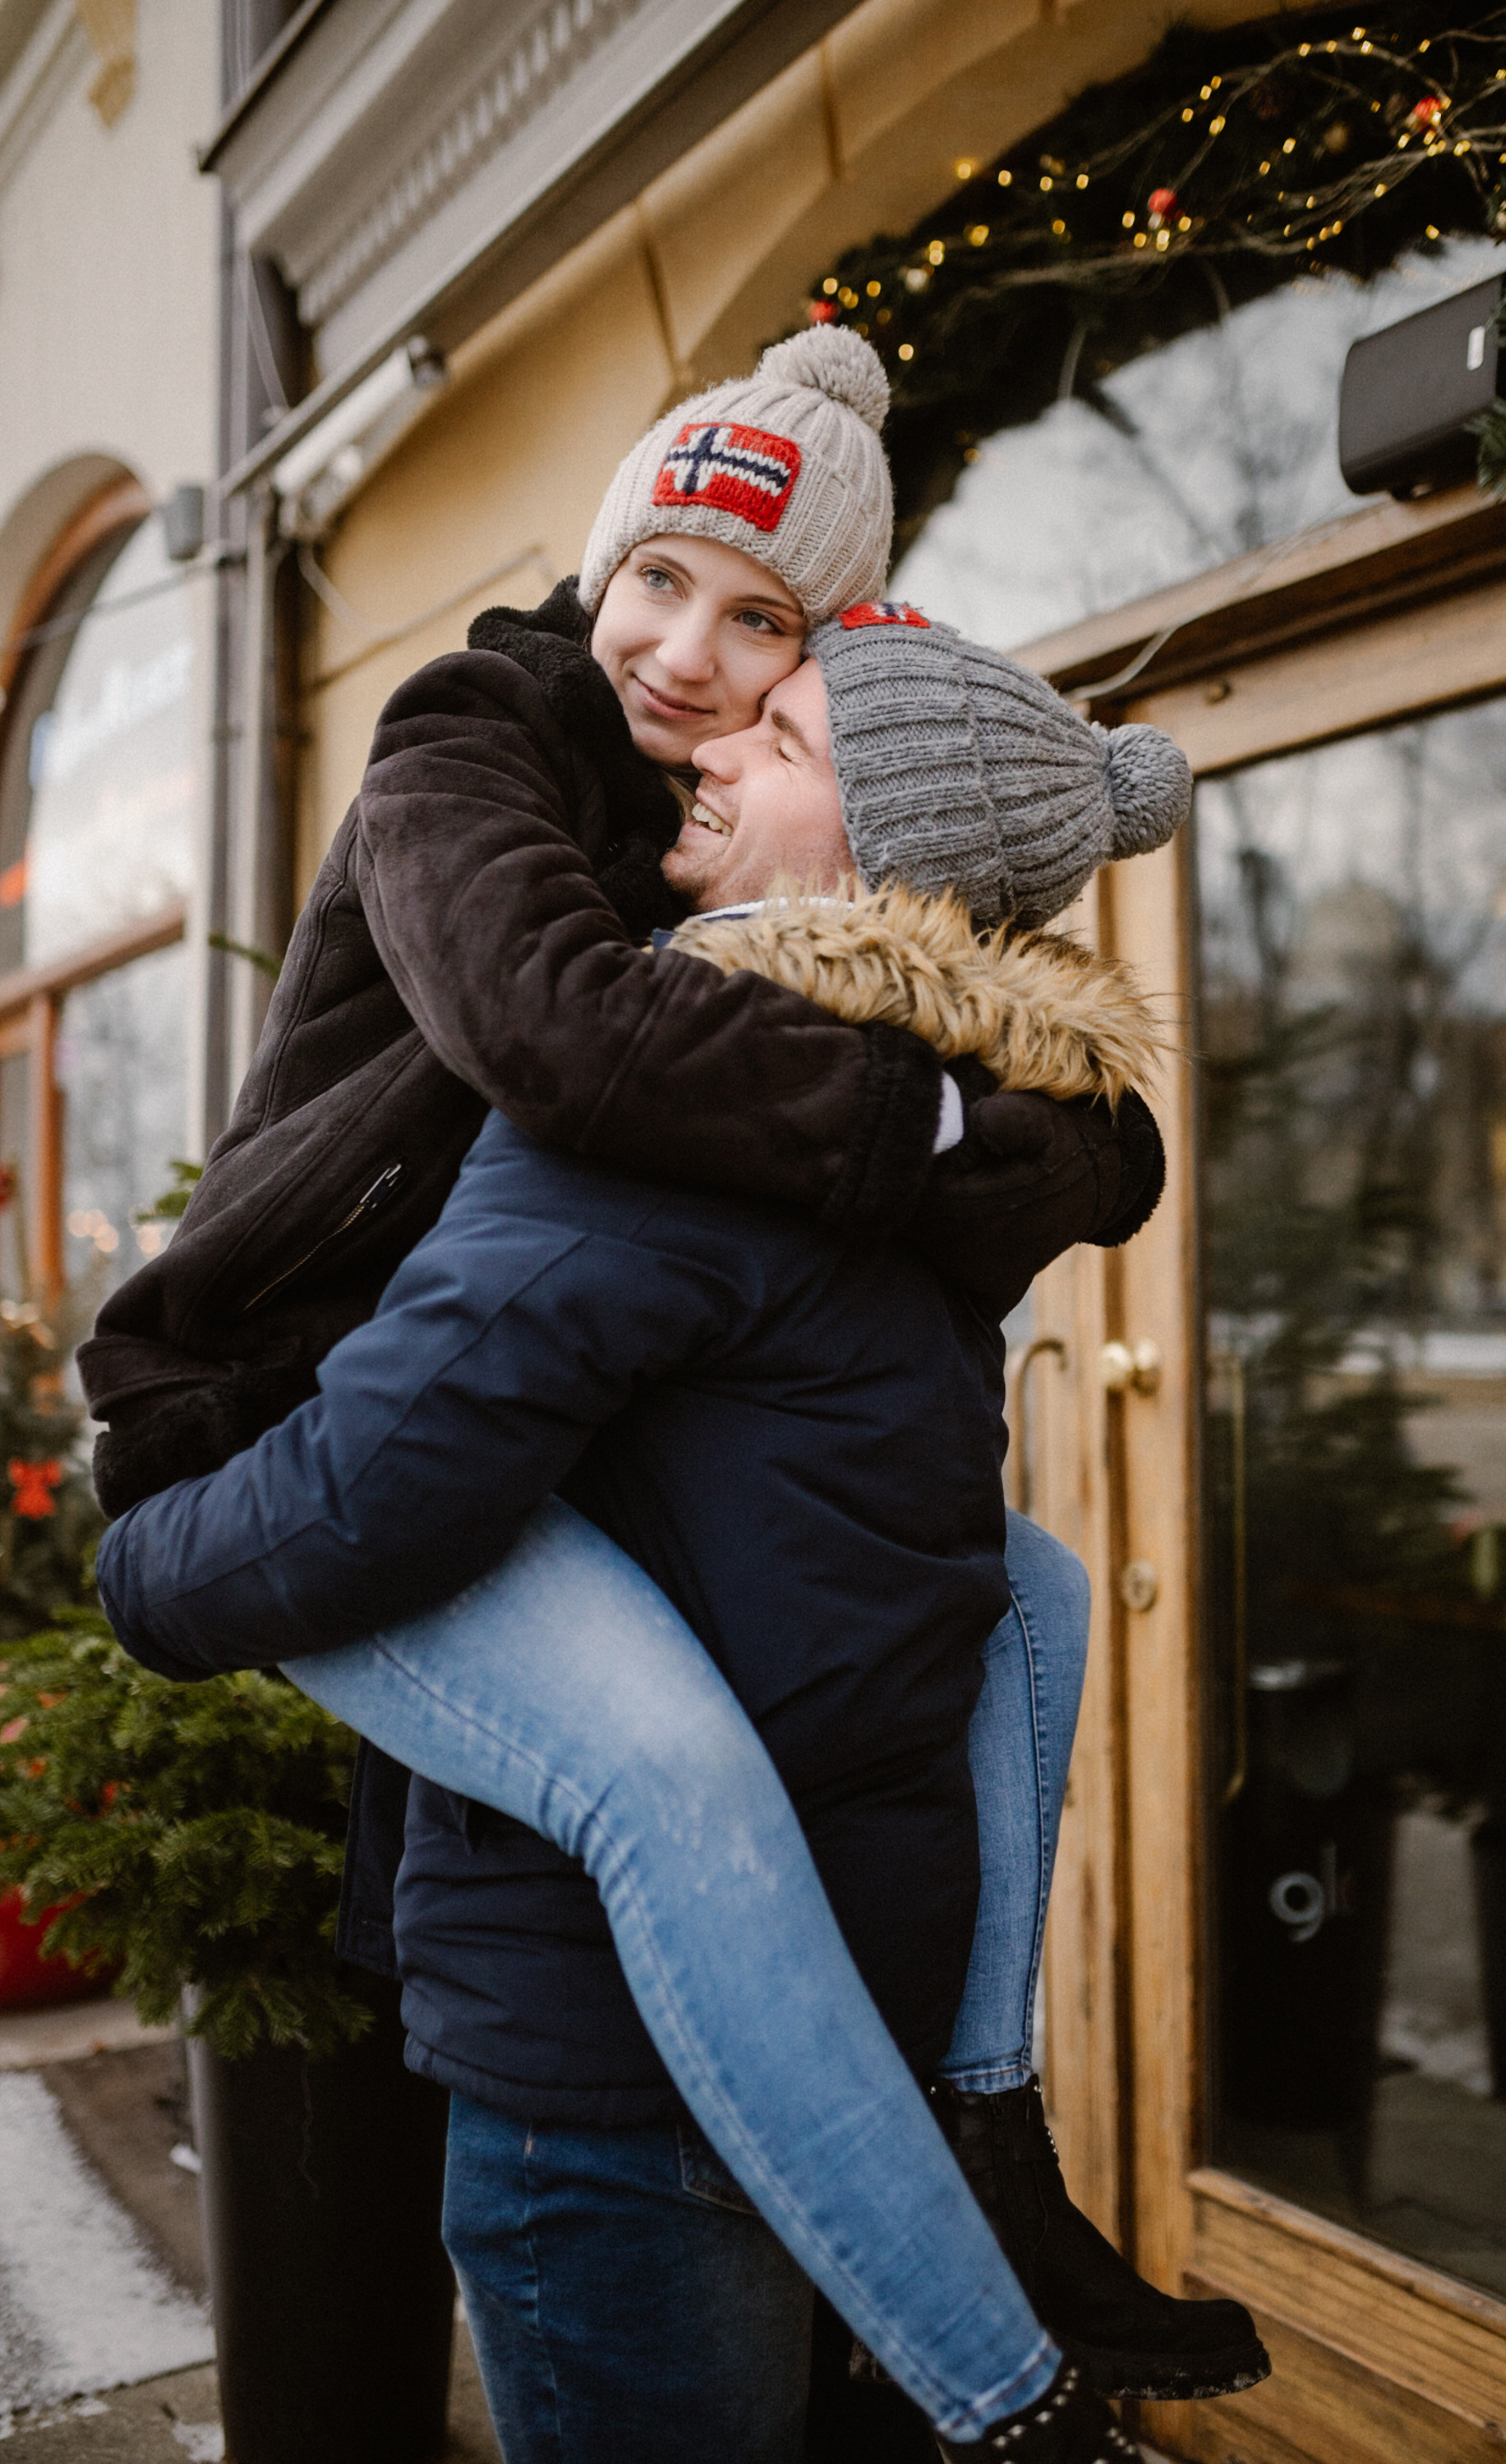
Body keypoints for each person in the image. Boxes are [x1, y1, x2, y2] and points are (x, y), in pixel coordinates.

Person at [76, 324, 1196, 2338]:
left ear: (817, 646)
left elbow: (1096, 1131)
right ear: (606, 556)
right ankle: (983, 2364)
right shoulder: (468, 738)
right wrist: (911, 1113)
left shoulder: (742, 816)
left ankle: (990, 2123)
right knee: (668, 1781)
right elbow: (562, 1036)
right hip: (278, 1405)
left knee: (1024, 1597)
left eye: (754, 618)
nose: (680, 651)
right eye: (656, 574)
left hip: (495, 1414)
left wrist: (1005, 1102)